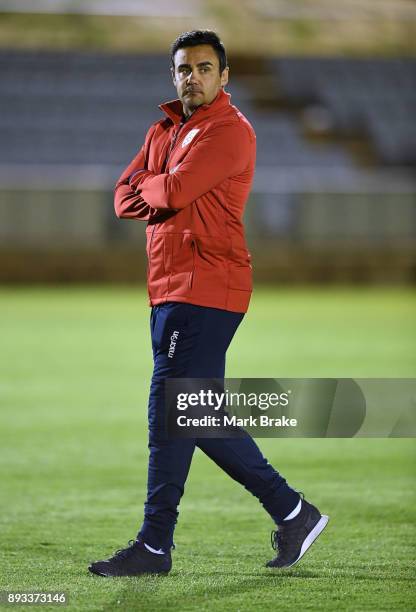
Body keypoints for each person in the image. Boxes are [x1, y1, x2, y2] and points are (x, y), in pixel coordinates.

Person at [89, 30, 328, 578]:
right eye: (182, 69)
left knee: (170, 411)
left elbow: (167, 194)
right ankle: (293, 512)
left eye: (203, 67)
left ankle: (154, 545)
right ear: (173, 76)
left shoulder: (229, 131)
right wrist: (159, 181)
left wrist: (158, 182)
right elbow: (122, 195)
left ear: (224, 77)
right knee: (195, 413)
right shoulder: (166, 129)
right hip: (171, 288)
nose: (191, 76)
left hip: (205, 287)